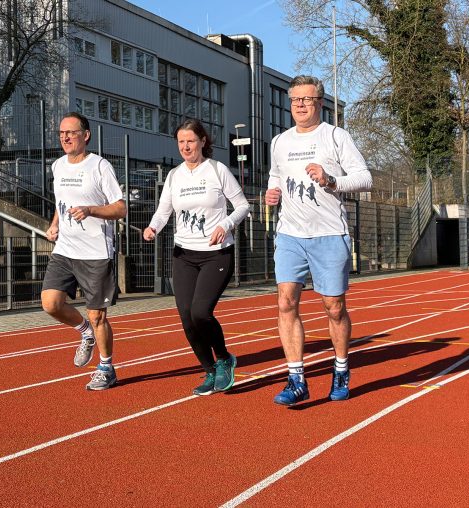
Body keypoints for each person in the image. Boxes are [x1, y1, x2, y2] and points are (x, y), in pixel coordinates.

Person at [265, 75, 372, 406]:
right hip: (290, 234)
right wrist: (272, 192)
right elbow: (275, 176)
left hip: (329, 233)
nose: (299, 105)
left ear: (319, 104)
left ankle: (341, 369)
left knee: (334, 307)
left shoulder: (336, 136)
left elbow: (365, 178)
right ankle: (296, 378)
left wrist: (331, 180)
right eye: (295, 99)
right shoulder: (279, 141)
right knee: (286, 302)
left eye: (306, 100)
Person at [143, 119, 250, 396]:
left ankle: (225, 358)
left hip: (216, 254)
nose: (185, 146)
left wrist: (224, 225)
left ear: (203, 141)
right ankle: (209, 370)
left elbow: (242, 206)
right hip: (184, 255)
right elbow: (163, 210)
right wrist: (153, 227)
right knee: (187, 319)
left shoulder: (217, 170)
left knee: (201, 312)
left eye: (190, 140)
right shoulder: (174, 175)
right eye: (181, 142)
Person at [41, 112, 127, 391]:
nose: (65, 137)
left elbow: (120, 207)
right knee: (50, 303)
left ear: (85, 135)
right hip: (66, 248)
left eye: (71, 132)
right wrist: (54, 225)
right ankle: (84, 333)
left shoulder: (99, 167)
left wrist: (91, 210)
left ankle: (106, 367)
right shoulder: (57, 166)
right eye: (61, 133)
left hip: (95, 252)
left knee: (97, 315)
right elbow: (61, 202)